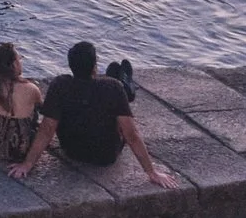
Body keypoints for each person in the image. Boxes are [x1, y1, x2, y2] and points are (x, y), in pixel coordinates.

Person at [16, 41, 176, 187]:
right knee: (114, 91)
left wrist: (27, 164)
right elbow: (131, 134)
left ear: (71, 65)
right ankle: (126, 87)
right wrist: (151, 172)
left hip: (72, 149)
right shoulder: (112, 88)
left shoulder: (59, 86)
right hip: (105, 155)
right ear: (94, 66)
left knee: (109, 89)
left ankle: (124, 84)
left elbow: (47, 130)